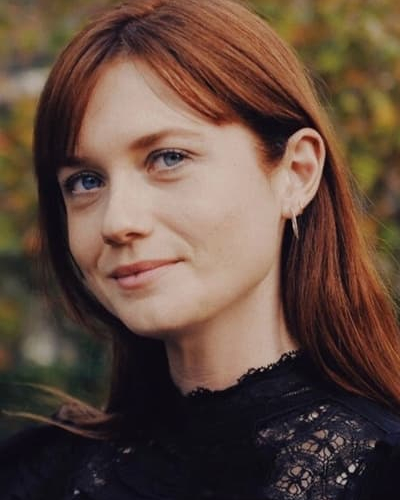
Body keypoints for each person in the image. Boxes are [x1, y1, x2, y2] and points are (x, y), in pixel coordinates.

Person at [1, 0, 400, 498]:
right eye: (85, 181)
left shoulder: (380, 470)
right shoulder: (36, 476)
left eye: (168, 158)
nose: (118, 221)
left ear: (297, 173)